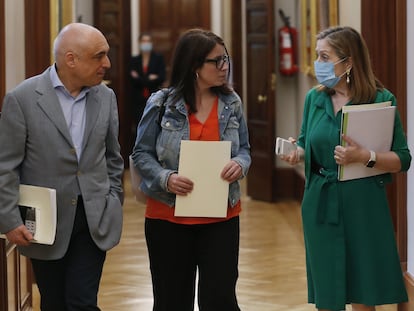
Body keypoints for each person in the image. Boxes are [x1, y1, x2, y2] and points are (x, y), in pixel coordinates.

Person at [280, 26, 411, 311]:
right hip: (320, 202)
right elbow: (304, 143)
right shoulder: (314, 98)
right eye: (317, 56)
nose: (318, 63)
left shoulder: (381, 99)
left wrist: (365, 155)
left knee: (364, 292)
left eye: (325, 57)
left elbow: (403, 159)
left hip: (363, 204)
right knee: (327, 293)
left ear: (349, 62)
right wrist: (296, 153)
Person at [0, 23, 124, 310]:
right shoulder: (22, 99)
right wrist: (9, 219)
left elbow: (113, 157)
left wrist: (113, 200)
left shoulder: (106, 97)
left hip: (94, 218)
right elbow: (6, 165)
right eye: (99, 56)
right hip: (43, 222)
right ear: (71, 59)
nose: (107, 63)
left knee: (82, 301)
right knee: (54, 302)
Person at [131, 28, 251, 310]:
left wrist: (240, 164)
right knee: (172, 300)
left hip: (221, 218)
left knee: (220, 299)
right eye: (216, 61)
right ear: (194, 65)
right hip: (167, 218)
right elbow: (141, 153)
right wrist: (166, 178)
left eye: (226, 59)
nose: (225, 67)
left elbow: (245, 149)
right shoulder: (161, 103)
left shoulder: (232, 103)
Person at [129, 32, 166, 126]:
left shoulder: (158, 59)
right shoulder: (134, 60)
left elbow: (162, 77)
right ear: (139, 43)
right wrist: (150, 79)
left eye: (148, 41)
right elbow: (132, 81)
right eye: (144, 41)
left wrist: (140, 78)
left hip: (155, 99)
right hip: (138, 101)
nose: (146, 43)